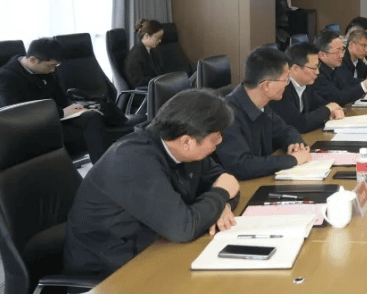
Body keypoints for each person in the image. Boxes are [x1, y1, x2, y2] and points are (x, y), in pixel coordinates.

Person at [63, 89, 240, 276]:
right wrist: (220, 195)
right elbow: (184, 228)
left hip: (154, 246)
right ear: (187, 142)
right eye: (215, 138)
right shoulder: (133, 160)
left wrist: (223, 206)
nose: (220, 142)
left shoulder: (183, 146)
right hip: (109, 270)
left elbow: (227, 183)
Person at [0, 38, 127, 162]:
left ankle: (106, 167)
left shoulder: (45, 69)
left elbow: (60, 96)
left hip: (54, 118)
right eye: (50, 66)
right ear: (32, 60)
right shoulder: (6, 76)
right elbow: (16, 113)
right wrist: (61, 112)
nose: (52, 70)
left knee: (92, 117)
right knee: (90, 133)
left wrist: (76, 108)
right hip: (32, 126)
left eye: (55, 66)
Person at [216, 47, 312, 180]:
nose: (287, 84)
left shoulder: (261, 104)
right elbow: (242, 165)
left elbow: (285, 130)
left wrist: (295, 144)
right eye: (286, 79)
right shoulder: (227, 115)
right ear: (266, 85)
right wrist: (293, 160)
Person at [269, 42, 346, 133]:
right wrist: (328, 109)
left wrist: (334, 109)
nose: (317, 72)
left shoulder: (307, 86)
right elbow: (299, 124)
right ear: (295, 69)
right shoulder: (281, 90)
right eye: (314, 68)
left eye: (318, 67)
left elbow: (321, 105)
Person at [314, 30, 367, 105]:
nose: (342, 55)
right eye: (337, 52)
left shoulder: (333, 67)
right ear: (322, 55)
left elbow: (349, 83)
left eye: (342, 50)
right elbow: (338, 97)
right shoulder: (318, 73)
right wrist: (365, 85)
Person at [124, 19, 167, 88]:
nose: (160, 41)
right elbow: (139, 83)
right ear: (146, 36)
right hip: (146, 92)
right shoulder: (135, 56)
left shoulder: (151, 51)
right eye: (158, 37)